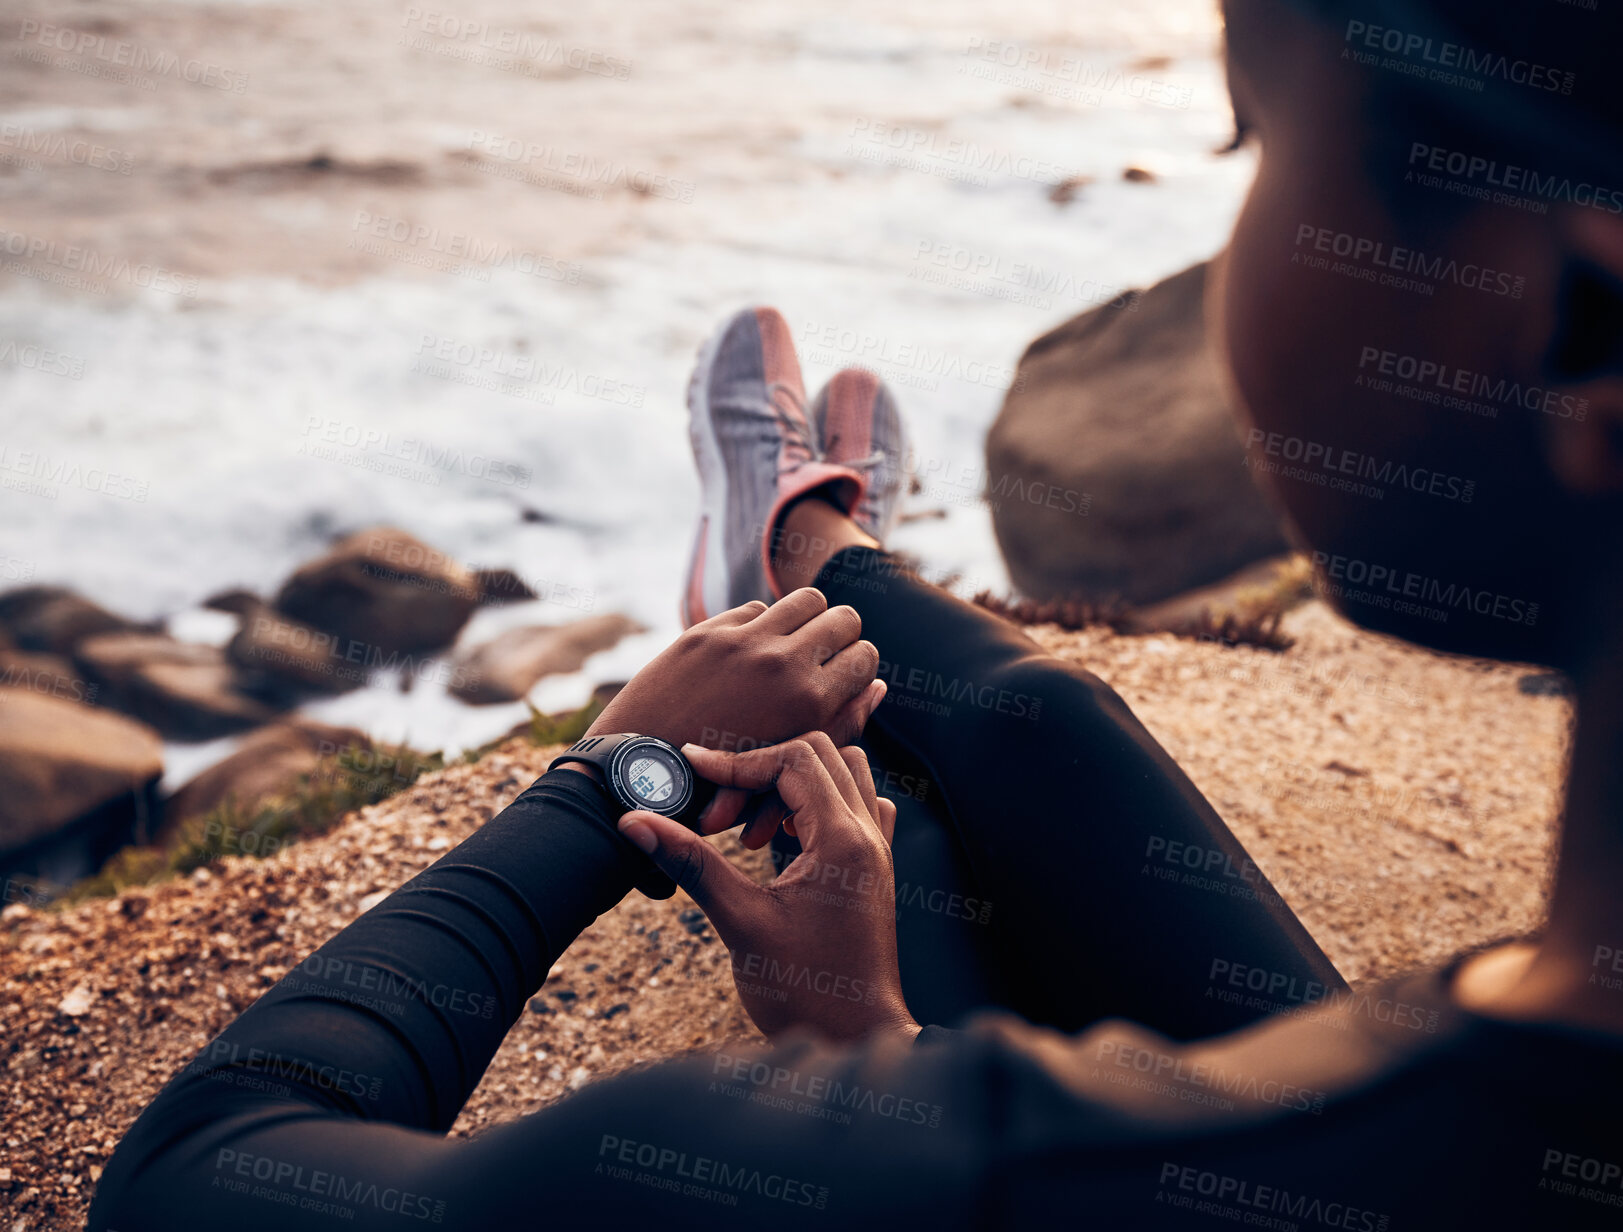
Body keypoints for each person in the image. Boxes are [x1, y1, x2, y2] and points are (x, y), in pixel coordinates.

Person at [90, 0, 1623, 1227]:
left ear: (1578, 321)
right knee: (1032, 726)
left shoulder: (981, 1178)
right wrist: (871, 1039)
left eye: (1256, 143)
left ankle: (792, 552)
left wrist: (610, 776)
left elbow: (193, 1178)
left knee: (912, 789)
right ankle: (817, 550)